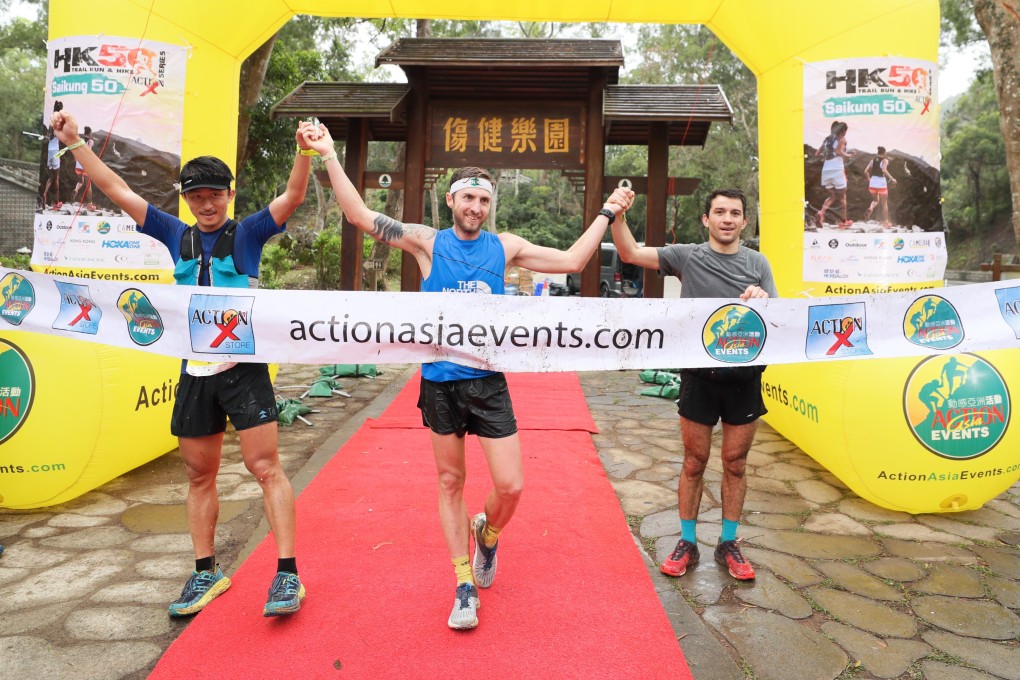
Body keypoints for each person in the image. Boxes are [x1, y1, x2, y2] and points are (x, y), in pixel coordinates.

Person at [305, 124, 634, 630]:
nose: (476, 207)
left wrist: (608, 212)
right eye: (468, 198)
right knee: (450, 480)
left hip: (488, 382)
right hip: (439, 383)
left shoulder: (506, 247)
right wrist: (328, 154)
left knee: (512, 486)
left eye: (484, 199)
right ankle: (463, 584)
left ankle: (488, 535)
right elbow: (359, 215)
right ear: (452, 199)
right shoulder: (426, 243)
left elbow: (570, 260)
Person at [51, 109, 319, 619]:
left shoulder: (249, 232)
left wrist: (304, 150)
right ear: (186, 200)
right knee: (199, 475)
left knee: (264, 468)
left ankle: (287, 575)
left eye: (214, 194)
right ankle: (206, 572)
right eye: (196, 196)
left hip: (244, 369)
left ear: (229, 196)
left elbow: (293, 197)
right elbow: (117, 189)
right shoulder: (176, 234)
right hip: (195, 372)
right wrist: (75, 144)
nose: (206, 203)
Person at [611, 188, 776, 582]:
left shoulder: (758, 262)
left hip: (744, 378)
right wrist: (617, 215)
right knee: (693, 462)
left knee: (735, 464)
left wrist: (763, 298)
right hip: (699, 377)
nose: (727, 219)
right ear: (706, 219)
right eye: (719, 211)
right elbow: (630, 253)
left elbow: (780, 318)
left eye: (735, 213)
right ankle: (687, 542)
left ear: (743, 221)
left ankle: (729, 543)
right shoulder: (687, 256)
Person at [815, 121, 854, 228]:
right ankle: (843, 221)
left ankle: (821, 213)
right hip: (837, 169)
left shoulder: (827, 139)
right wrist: (849, 155)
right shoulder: (842, 139)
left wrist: (827, 154)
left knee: (832, 196)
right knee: (842, 197)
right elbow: (839, 151)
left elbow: (817, 153)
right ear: (842, 131)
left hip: (826, 169)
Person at [863, 146, 897, 226]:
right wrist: (892, 179)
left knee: (875, 200)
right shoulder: (885, 160)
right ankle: (886, 222)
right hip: (881, 182)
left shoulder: (872, 160)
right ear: (884, 153)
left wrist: (868, 178)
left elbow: (865, 171)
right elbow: (884, 170)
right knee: (884, 203)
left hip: (872, 182)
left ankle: (870, 208)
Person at [73, 126, 97, 211]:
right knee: (88, 185)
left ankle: (76, 189)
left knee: (80, 181)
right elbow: (89, 153)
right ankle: (89, 204)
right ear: (90, 133)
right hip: (86, 165)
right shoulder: (90, 141)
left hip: (78, 164)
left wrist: (76, 160)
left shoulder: (79, 140)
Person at [42, 127, 62, 210]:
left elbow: (48, 138)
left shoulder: (51, 127)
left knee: (51, 177)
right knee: (56, 177)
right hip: (55, 152)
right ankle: (56, 202)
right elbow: (56, 137)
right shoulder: (57, 127)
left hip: (49, 152)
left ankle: (45, 193)